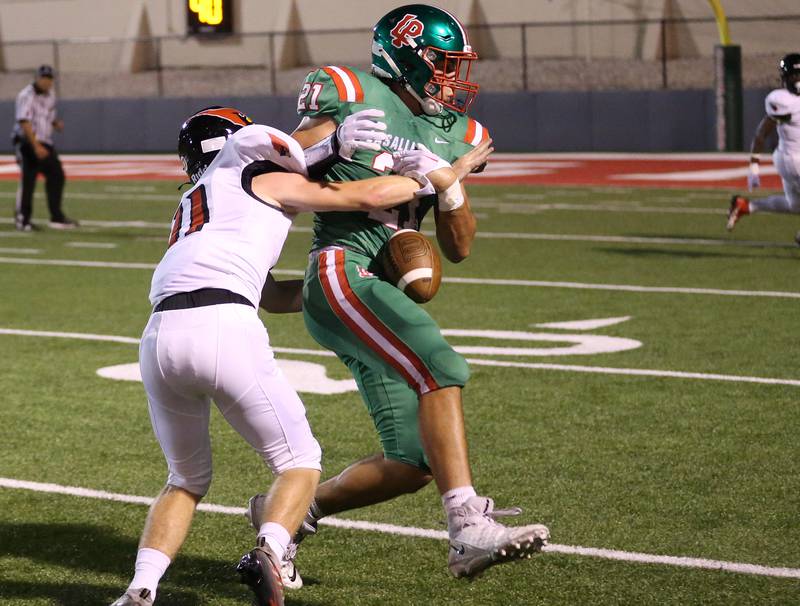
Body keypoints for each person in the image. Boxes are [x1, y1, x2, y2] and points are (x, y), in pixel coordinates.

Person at [246, 3, 549, 586]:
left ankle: (287, 514)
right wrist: (330, 148)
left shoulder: (460, 134)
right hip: (341, 269)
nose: (452, 78)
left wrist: (449, 188)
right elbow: (277, 168)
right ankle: (467, 528)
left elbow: (458, 248)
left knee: (411, 460)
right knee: (441, 364)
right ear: (405, 56)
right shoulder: (348, 90)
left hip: (379, 290)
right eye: (442, 63)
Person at [110, 106, 459, 606]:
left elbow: (273, 296)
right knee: (300, 462)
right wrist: (440, 178)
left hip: (159, 336)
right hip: (224, 325)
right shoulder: (254, 174)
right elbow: (360, 195)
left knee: (184, 480)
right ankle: (271, 550)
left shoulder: (196, 200)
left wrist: (328, 287)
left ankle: (141, 589)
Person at [728, 53, 800, 244]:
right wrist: (753, 168)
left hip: (788, 159)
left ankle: (746, 206)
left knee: (795, 205)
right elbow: (761, 134)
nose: (798, 80)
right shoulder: (783, 101)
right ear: (785, 78)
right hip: (793, 160)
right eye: (794, 75)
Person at [12, 64, 77, 231]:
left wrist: (55, 124)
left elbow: (47, 116)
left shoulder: (50, 96)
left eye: (49, 79)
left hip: (45, 141)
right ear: (37, 78)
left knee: (57, 175)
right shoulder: (26, 95)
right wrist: (35, 146)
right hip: (28, 142)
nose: (47, 82)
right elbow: (24, 121)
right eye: (44, 78)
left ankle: (56, 217)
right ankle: (23, 219)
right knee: (28, 180)